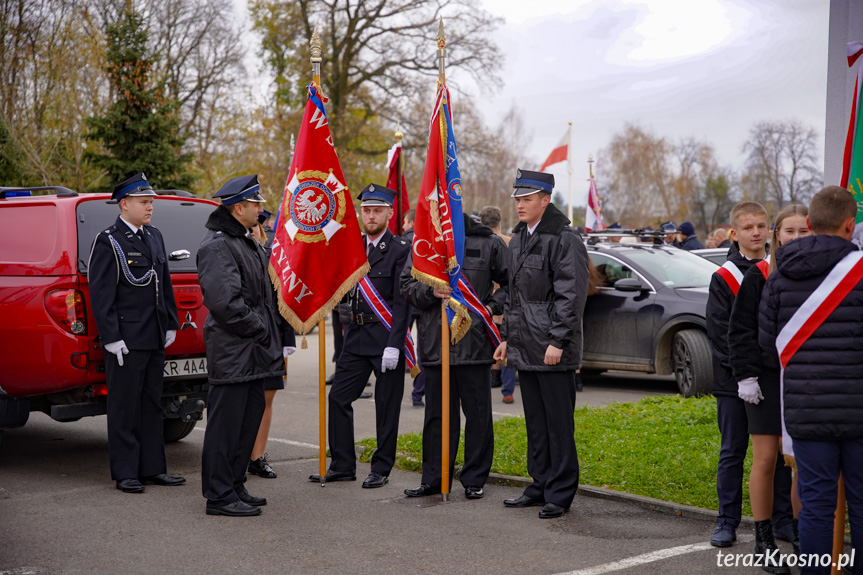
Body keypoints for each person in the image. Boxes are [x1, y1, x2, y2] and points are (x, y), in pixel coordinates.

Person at [759, 186, 863, 575]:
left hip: (805, 407)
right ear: (850, 225)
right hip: (858, 407)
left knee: (817, 504)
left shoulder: (780, 270)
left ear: (810, 223)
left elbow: (768, 344)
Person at [493, 168, 590, 519]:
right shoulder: (519, 237)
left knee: (558, 424)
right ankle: (539, 485)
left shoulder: (564, 238)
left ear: (545, 200)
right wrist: (507, 339)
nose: (520, 205)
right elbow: (514, 296)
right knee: (535, 422)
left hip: (551, 348)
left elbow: (571, 295)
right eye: (517, 199)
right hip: (525, 345)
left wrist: (558, 341)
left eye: (527, 199)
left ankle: (560, 493)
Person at [197, 175, 288, 517]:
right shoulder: (218, 244)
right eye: (256, 205)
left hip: (253, 352)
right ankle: (219, 495)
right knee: (226, 426)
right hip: (235, 350)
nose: (261, 210)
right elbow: (225, 303)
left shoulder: (244, 240)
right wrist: (261, 328)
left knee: (246, 422)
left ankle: (234, 485)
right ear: (239, 208)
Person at [88, 172, 185, 494]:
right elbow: (101, 294)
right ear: (124, 203)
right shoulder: (109, 240)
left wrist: (170, 322)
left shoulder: (153, 236)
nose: (150, 208)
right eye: (144, 202)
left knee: (151, 404)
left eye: (151, 202)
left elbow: (164, 283)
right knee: (125, 405)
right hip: (126, 339)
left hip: (153, 334)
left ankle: (153, 468)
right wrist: (111, 336)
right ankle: (126, 471)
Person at [310, 183, 411, 489]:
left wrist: (395, 345)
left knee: (386, 405)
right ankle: (343, 464)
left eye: (377, 211)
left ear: (389, 214)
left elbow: (403, 303)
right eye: (366, 210)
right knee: (338, 397)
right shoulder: (353, 247)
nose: (370, 216)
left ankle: (381, 467)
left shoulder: (399, 251)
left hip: (385, 338)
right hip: (355, 335)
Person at [400, 213, 508, 499]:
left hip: (474, 344)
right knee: (436, 416)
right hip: (437, 344)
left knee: (478, 415)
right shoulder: (423, 242)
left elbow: (511, 283)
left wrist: (489, 307)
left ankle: (474, 479)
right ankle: (434, 478)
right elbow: (407, 286)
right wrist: (429, 291)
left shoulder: (488, 242)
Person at [707, 201, 793, 547]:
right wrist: (744, 375)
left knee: (779, 454)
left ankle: (783, 519)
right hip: (734, 383)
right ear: (735, 233)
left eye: (761, 226)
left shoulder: (778, 268)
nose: (755, 232)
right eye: (748, 227)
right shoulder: (725, 276)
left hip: (773, 380)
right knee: (733, 451)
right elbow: (721, 332)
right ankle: (727, 519)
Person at [728, 204, 809, 571]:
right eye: (788, 231)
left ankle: (802, 535)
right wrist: (745, 376)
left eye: (802, 232)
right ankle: (764, 541)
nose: (795, 238)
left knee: (798, 462)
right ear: (777, 235)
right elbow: (740, 330)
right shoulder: (759, 273)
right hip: (763, 380)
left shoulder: (819, 274)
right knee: (765, 459)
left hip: (804, 378)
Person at [247, 216, 297, 479]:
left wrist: (288, 339)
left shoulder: (273, 256)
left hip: (271, 337)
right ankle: (239, 453)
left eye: (256, 226)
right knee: (242, 398)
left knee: (267, 397)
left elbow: (283, 298)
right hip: (242, 338)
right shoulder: (231, 251)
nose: (253, 231)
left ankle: (257, 457)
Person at [479, 204, 517, 403]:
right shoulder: (510, 243)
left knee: (484, 351)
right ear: (500, 222)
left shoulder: (478, 243)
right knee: (507, 350)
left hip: (485, 306)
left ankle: (481, 387)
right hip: (506, 305)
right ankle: (508, 391)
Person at [400, 208, 425, 408]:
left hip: (405, 301)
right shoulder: (428, 241)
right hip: (425, 300)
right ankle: (418, 393)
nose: (402, 226)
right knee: (426, 348)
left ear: (410, 223)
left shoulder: (400, 242)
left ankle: (394, 386)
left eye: (405, 222)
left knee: (399, 343)